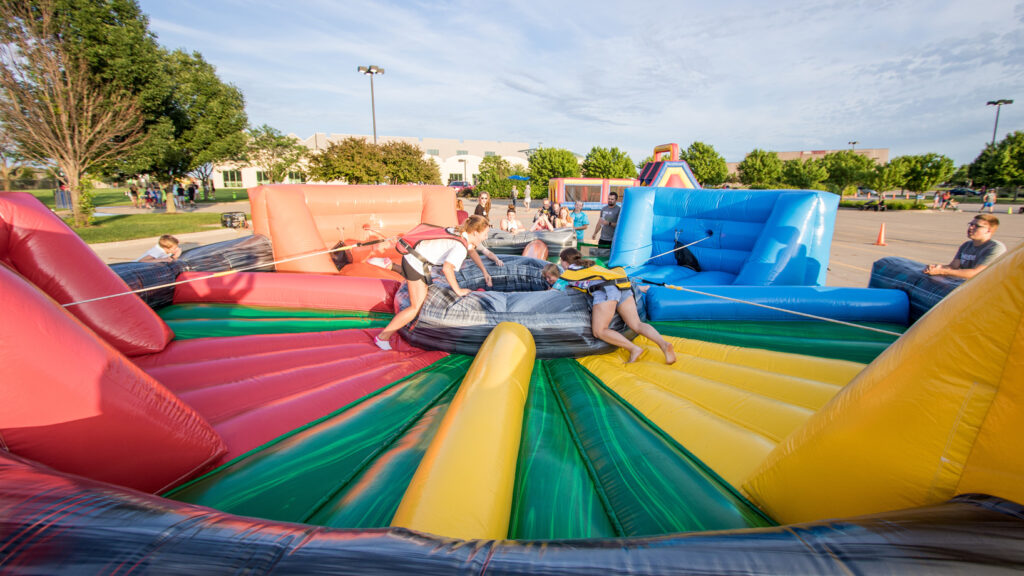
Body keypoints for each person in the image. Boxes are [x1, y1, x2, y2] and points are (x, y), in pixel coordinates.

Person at [374, 215, 500, 350]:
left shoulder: (460, 232)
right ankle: (382, 337)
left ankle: (390, 265)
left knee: (420, 290)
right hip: (415, 262)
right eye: (485, 234)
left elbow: (472, 250)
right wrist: (458, 290)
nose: (486, 237)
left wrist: (484, 272)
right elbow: (447, 268)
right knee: (415, 307)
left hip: (415, 258)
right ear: (475, 232)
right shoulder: (460, 247)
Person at [554, 248, 676, 364]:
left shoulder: (570, 272)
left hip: (606, 290)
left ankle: (633, 348)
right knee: (636, 324)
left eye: (561, 262)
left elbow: (568, 289)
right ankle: (664, 344)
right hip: (623, 286)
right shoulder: (591, 265)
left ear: (564, 261)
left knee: (600, 331)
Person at [924, 214, 1006, 280]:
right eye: (971, 224)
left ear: (989, 230)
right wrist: (937, 267)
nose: (970, 228)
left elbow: (976, 273)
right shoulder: (966, 245)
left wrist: (942, 271)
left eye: (977, 226)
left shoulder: (995, 248)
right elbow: (953, 266)